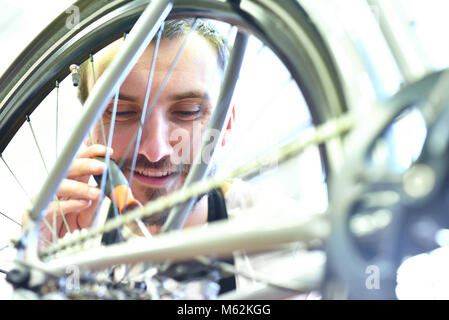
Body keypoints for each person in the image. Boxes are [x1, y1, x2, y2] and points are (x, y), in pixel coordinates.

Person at [39, 19, 234, 243]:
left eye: (187, 112)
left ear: (227, 123)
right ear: (86, 128)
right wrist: (47, 266)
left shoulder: (278, 244)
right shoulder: (67, 232)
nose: (156, 151)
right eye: (120, 113)